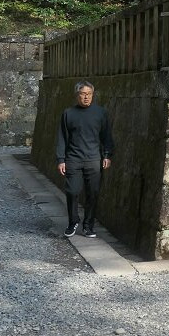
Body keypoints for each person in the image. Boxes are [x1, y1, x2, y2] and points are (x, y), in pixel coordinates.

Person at [55, 81, 115, 238]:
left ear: (93, 95)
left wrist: (107, 155)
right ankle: (73, 221)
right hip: (73, 159)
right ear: (77, 95)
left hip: (94, 159)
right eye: (83, 93)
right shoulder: (68, 113)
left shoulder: (100, 113)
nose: (86, 97)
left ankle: (88, 225)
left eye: (89, 94)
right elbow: (62, 138)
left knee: (93, 193)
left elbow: (106, 136)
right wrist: (61, 159)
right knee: (72, 191)